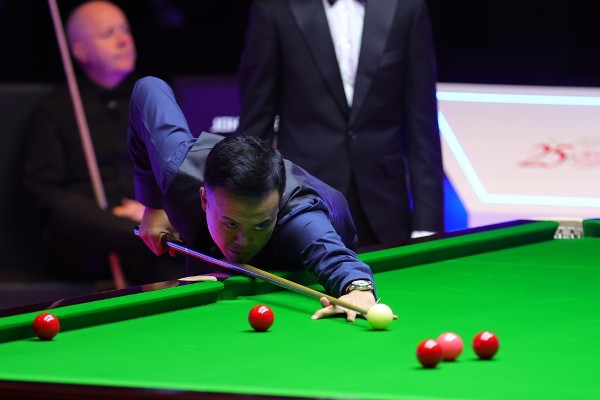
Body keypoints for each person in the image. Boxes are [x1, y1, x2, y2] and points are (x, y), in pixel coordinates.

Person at [131, 76, 378, 320]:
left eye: (260, 225)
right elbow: (148, 88)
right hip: (208, 245)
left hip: (295, 254)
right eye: (231, 224)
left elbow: (335, 258)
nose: (244, 241)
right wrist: (153, 205)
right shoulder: (178, 171)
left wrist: (358, 289)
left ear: (278, 204)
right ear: (204, 199)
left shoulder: (300, 220)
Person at [237, 0, 444, 247]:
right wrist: (247, 216)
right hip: (303, 201)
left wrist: (427, 226)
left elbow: (422, 125)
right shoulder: (275, 8)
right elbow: (257, 123)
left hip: (386, 209)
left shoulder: (406, 6)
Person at [22, 1, 184, 284]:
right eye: (108, 34)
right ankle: (152, 233)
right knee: (64, 212)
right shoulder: (56, 106)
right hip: (86, 244)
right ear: (80, 51)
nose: (123, 41)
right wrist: (117, 222)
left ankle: (155, 232)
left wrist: (151, 209)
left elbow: (179, 170)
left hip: (146, 244)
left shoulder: (153, 100)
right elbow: (42, 192)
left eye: (125, 30)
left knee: (174, 229)